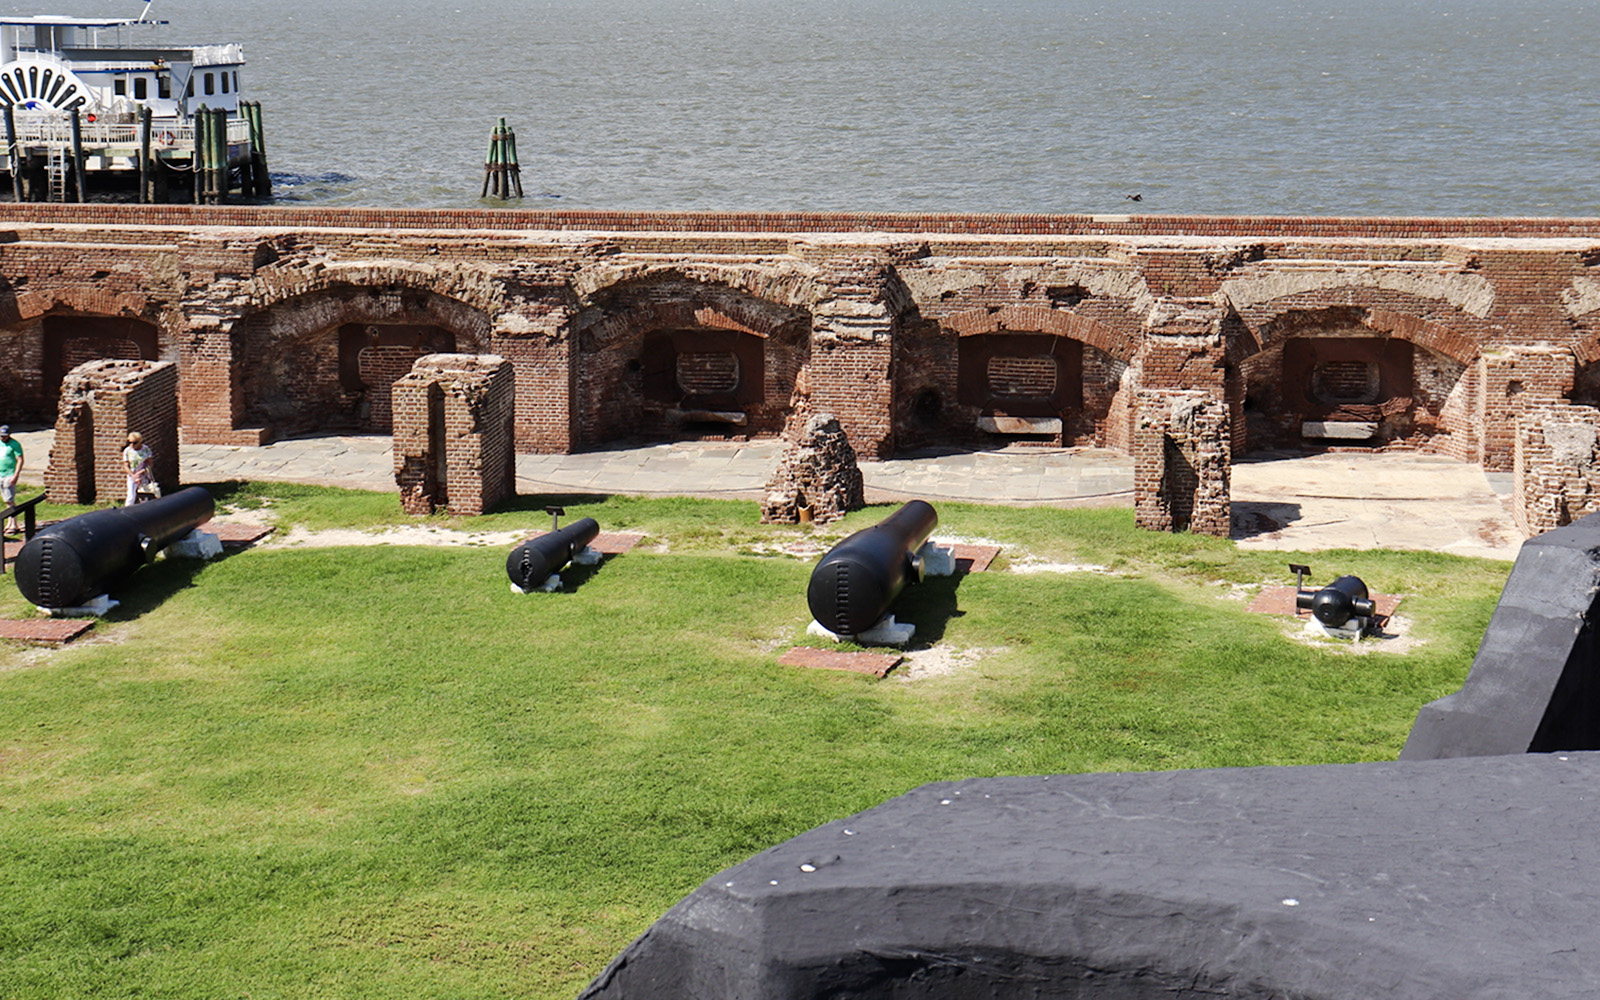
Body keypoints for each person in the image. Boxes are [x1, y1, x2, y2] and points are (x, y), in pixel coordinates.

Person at [123, 431, 154, 506]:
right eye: (129, 442)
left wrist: (142, 472)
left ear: (139, 441)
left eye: (134, 443)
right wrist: (132, 475)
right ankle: (127, 511)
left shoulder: (146, 450)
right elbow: (125, 465)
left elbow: (150, 463)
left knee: (144, 494)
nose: (131, 445)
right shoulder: (127, 451)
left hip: (143, 474)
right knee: (131, 495)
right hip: (132, 475)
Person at [0, 425, 21, 534]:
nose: (3, 438)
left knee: (10, 500)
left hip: (9, 474)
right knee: (6, 500)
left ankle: (14, 524)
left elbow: (20, 459)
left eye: (5, 436)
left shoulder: (14, 444)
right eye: (1, 436)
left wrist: (16, 475)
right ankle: (9, 522)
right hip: (0, 474)